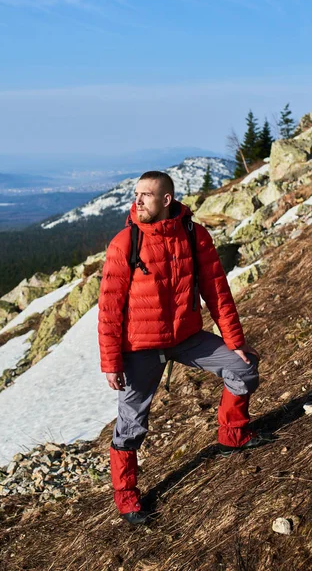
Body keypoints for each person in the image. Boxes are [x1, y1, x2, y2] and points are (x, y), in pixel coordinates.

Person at [98, 171, 272, 525]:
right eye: (136, 194)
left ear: (166, 200)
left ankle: (233, 435)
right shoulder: (124, 243)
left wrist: (235, 342)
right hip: (140, 347)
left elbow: (218, 292)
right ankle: (127, 498)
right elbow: (110, 308)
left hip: (187, 338)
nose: (138, 200)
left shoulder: (194, 235)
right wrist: (111, 362)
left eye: (146, 194)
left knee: (244, 368)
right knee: (131, 426)